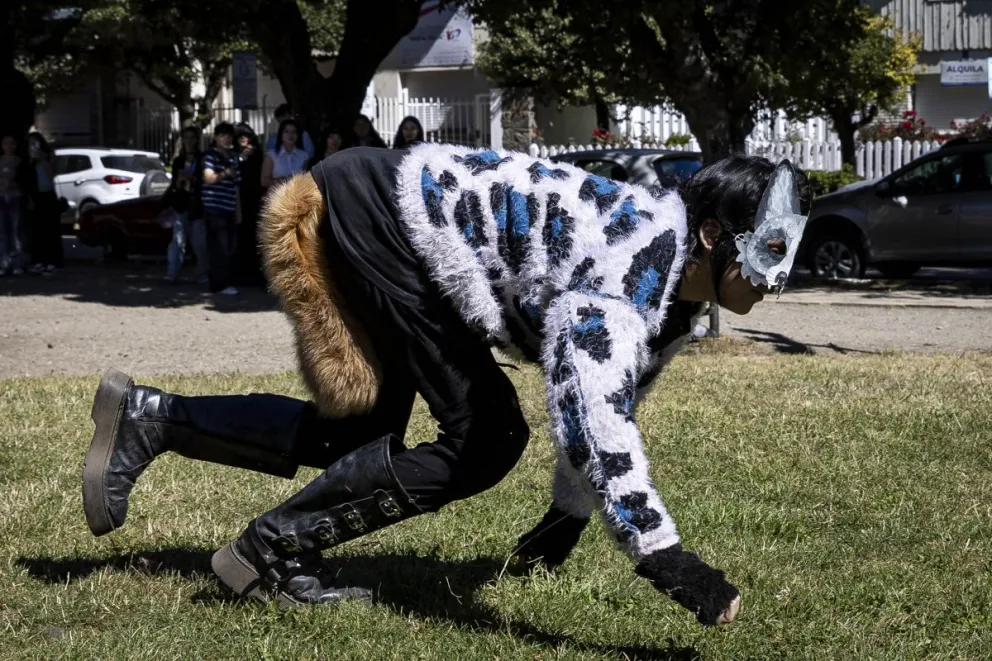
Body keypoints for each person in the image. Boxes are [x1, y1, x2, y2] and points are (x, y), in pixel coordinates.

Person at [81, 145, 810, 626]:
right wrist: (670, 561)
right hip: (385, 214)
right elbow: (597, 425)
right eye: (769, 249)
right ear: (712, 235)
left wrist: (565, 518)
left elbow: (605, 405)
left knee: (359, 434)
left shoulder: (672, 289)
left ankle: (152, 418)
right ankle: (270, 547)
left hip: (378, 201)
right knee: (487, 436)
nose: (777, 276)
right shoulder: (631, 275)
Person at [200, 123, 241, 295]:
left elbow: (236, 186)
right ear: (216, 137)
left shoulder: (233, 157)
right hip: (214, 208)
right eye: (222, 135)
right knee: (218, 247)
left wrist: (238, 211)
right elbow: (208, 178)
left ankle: (223, 281)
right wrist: (225, 173)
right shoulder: (210, 156)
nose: (226, 139)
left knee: (229, 247)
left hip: (229, 208)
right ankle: (218, 284)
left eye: (229, 136)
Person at [161, 127, 204, 283]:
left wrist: (192, 179)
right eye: (186, 138)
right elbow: (174, 185)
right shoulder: (179, 161)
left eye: (192, 137)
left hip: (197, 206)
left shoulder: (202, 159)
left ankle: (203, 274)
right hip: (181, 204)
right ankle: (172, 273)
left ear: (197, 140)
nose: (189, 141)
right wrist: (179, 183)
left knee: (199, 243)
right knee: (177, 241)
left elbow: (204, 182)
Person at [233, 123, 266, 287]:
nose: (243, 139)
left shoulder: (257, 154)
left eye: (246, 136)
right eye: (240, 136)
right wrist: (241, 158)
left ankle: (255, 275)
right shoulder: (234, 155)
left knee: (254, 237)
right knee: (240, 237)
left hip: (254, 199)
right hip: (238, 199)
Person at [26, 132, 64, 275]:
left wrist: (42, 160)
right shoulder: (30, 159)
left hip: (49, 195)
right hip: (36, 196)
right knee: (37, 231)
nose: (33, 146)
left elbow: (52, 175)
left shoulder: (49, 155)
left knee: (51, 229)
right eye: (31, 144)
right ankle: (39, 260)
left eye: (35, 143)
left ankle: (53, 261)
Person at [0, 134, 29, 276]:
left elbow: (23, 180)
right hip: (1, 197)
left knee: (15, 231)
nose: (8, 146)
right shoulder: (0, 161)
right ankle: (4, 263)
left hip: (15, 197)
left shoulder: (19, 162)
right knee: (2, 232)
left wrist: (10, 185)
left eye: (11, 143)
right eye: (6, 143)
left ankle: (18, 263)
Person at [261, 119, 310, 190]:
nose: (290, 135)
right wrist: (285, 180)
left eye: (294, 132)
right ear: (281, 134)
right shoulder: (271, 155)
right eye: (286, 131)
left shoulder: (304, 155)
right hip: (278, 194)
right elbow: (264, 181)